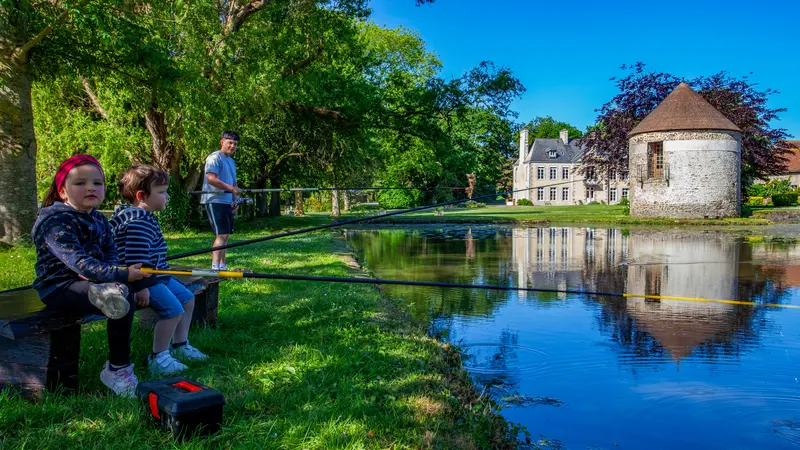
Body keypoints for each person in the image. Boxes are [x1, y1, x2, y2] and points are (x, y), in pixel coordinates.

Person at [32, 154, 150, 397]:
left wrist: (115, 276)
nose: (90, 188)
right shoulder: (54, 221)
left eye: (97, 183)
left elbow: (111, 252)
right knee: (118, 292)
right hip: (58, 287)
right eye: (80, 183)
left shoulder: (98, 219)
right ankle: (104, 294)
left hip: (93, 284)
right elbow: (79, 263)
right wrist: (121, 275)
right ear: (63, 192)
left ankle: (117, 369)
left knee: (122, 298)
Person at [110, 165, 208, 376]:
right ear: (141, 196)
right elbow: (136, 261)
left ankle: (180, 346)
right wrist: (140, 288)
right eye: (162, 192)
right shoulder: (139, 221)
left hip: (159, 276)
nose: (167, 197)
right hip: (145, 281)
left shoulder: (141, 216)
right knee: (173, 311)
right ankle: (159, 357)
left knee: (187, 299)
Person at [200, 131, 242, 270]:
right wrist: (230, 189)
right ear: (222, 142)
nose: (232, 146)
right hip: (214, 199)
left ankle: (223, 266)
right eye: (230, 143)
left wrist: (236, 200)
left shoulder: (231, 161)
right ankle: (215, 267)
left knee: (226, 235)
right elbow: (211, 179)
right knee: (221, 234)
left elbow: (234, 185)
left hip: (227, 201)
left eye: (235, 144)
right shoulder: (214, 157)